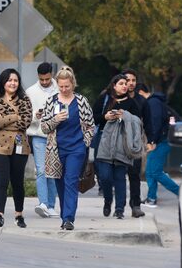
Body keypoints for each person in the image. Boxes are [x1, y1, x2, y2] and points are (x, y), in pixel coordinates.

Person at [39, 66, 95, 231]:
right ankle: (65, 216)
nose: (64, 89)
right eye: (61, 86)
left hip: (76, 148)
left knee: (71, 181)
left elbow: (91, 126)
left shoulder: (81, 101)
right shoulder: (51, 101)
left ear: (73, 84)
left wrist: (85, 142)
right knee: (60, 183)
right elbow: (44, 127)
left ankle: (69, 218)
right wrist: (56, 119)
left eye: (67, 86)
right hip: (56, 149)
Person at [0, 68, 32, 228]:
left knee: (17, 182)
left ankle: (19, 215)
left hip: (19, 146)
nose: (13, 83)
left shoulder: (24, 100)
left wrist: (3, 119)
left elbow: (25, 122)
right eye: (10, 80)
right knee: (1, 182)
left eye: (16, 80)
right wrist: (14, 116)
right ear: (3, 82)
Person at [93, 74, 139, 218]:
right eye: (121, 83)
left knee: (120, 176)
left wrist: (124, 116)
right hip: (104, 140)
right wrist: (105, 117)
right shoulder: (105, 98)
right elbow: (93, 117)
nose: (125, 86)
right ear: (114, 85)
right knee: (105, 176)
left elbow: (137, 122)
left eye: (126, 83)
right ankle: (108, 201)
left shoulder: (132, 103)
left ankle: (120, 209)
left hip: (123, 142)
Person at [25, 62, 59, 218]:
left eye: (47, 79)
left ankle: (51, 205)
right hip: (38, 135)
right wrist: (35, 117)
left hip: (56, 136)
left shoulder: (60, 89)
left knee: (52, 172)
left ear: (51, 74)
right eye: (41, 79)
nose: (44, 82)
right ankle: (43, 203)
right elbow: (25, 116)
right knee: (41, 171)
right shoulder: (30, 91)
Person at [138, 83, 179, 207]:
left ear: (140, 92)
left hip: (161, 141)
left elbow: (155, 123)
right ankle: (151, 198)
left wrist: (152, 141)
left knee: (155, 172)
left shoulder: (152, 103)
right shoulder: (154, 102)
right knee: (150, 171)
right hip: (160, 140)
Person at [122, 68, 146, 218]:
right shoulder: (114, 99)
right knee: (117, 175)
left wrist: (151, 141)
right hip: (118, 142)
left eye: (133, 80)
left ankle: (135, 205)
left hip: (136, 142)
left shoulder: (142, 101)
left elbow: (148, 121)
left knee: (134, 174)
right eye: (127, 80)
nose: (130, 83)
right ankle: (118, 205)